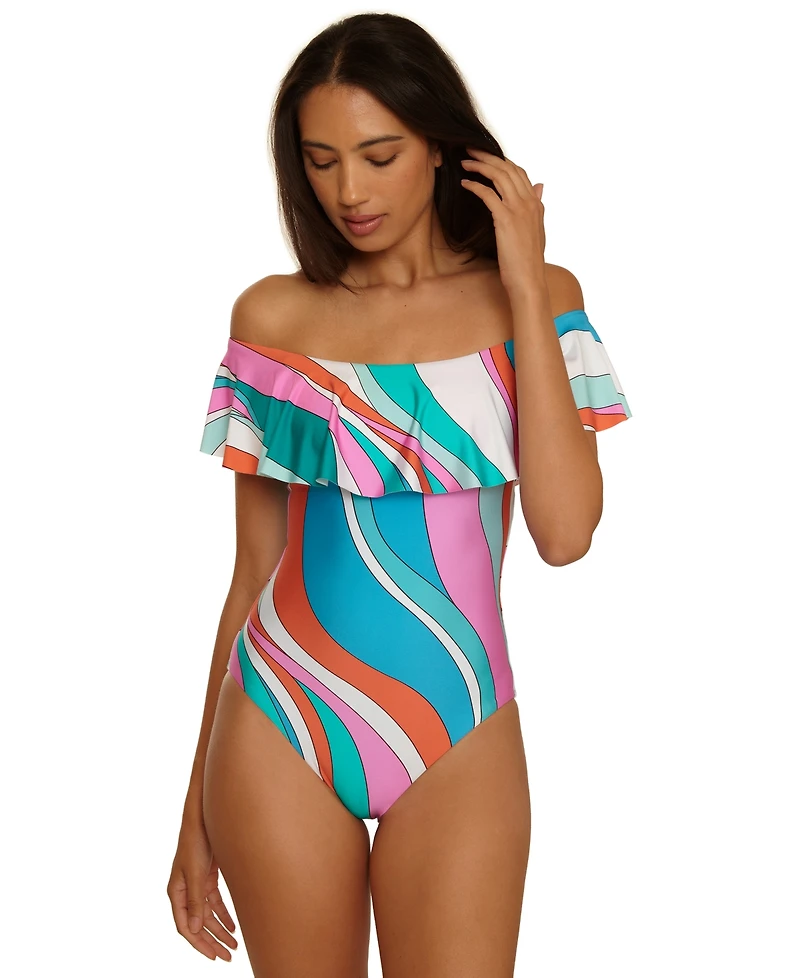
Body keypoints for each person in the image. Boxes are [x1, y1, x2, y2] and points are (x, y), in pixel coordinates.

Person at [167, 12, 632, 977]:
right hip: (280, 714)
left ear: (441, 147)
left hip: (461, 722)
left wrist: (521, 276)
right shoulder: (276, 317)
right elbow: (251, 573)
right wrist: (191, 817)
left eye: (378, 156)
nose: (349, 191)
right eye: (321, 161)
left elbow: (565, 533)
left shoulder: (541, 300)